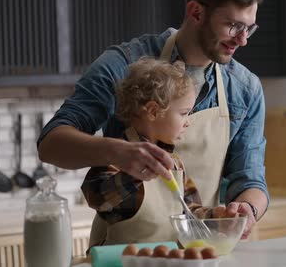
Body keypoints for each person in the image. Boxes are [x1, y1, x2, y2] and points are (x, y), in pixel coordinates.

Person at [37, 0, 269, 244]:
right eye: (233, 26)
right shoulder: (122, 65)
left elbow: (250, 178)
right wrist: (117, 152)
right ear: (196, 12)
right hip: (123, 256)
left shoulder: (245, 89)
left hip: (198, 255)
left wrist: (246, 209)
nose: (242, 41)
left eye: (249, 28)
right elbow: (51, 145)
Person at [82, 58, 224, 244]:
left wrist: (215, 215)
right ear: (152, 111)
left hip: (163, 261)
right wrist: (134, 174)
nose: (188, 121)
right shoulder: (119, 157)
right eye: (183, 113)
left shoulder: (175, 164)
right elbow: (96, 197)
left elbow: (189, 210)